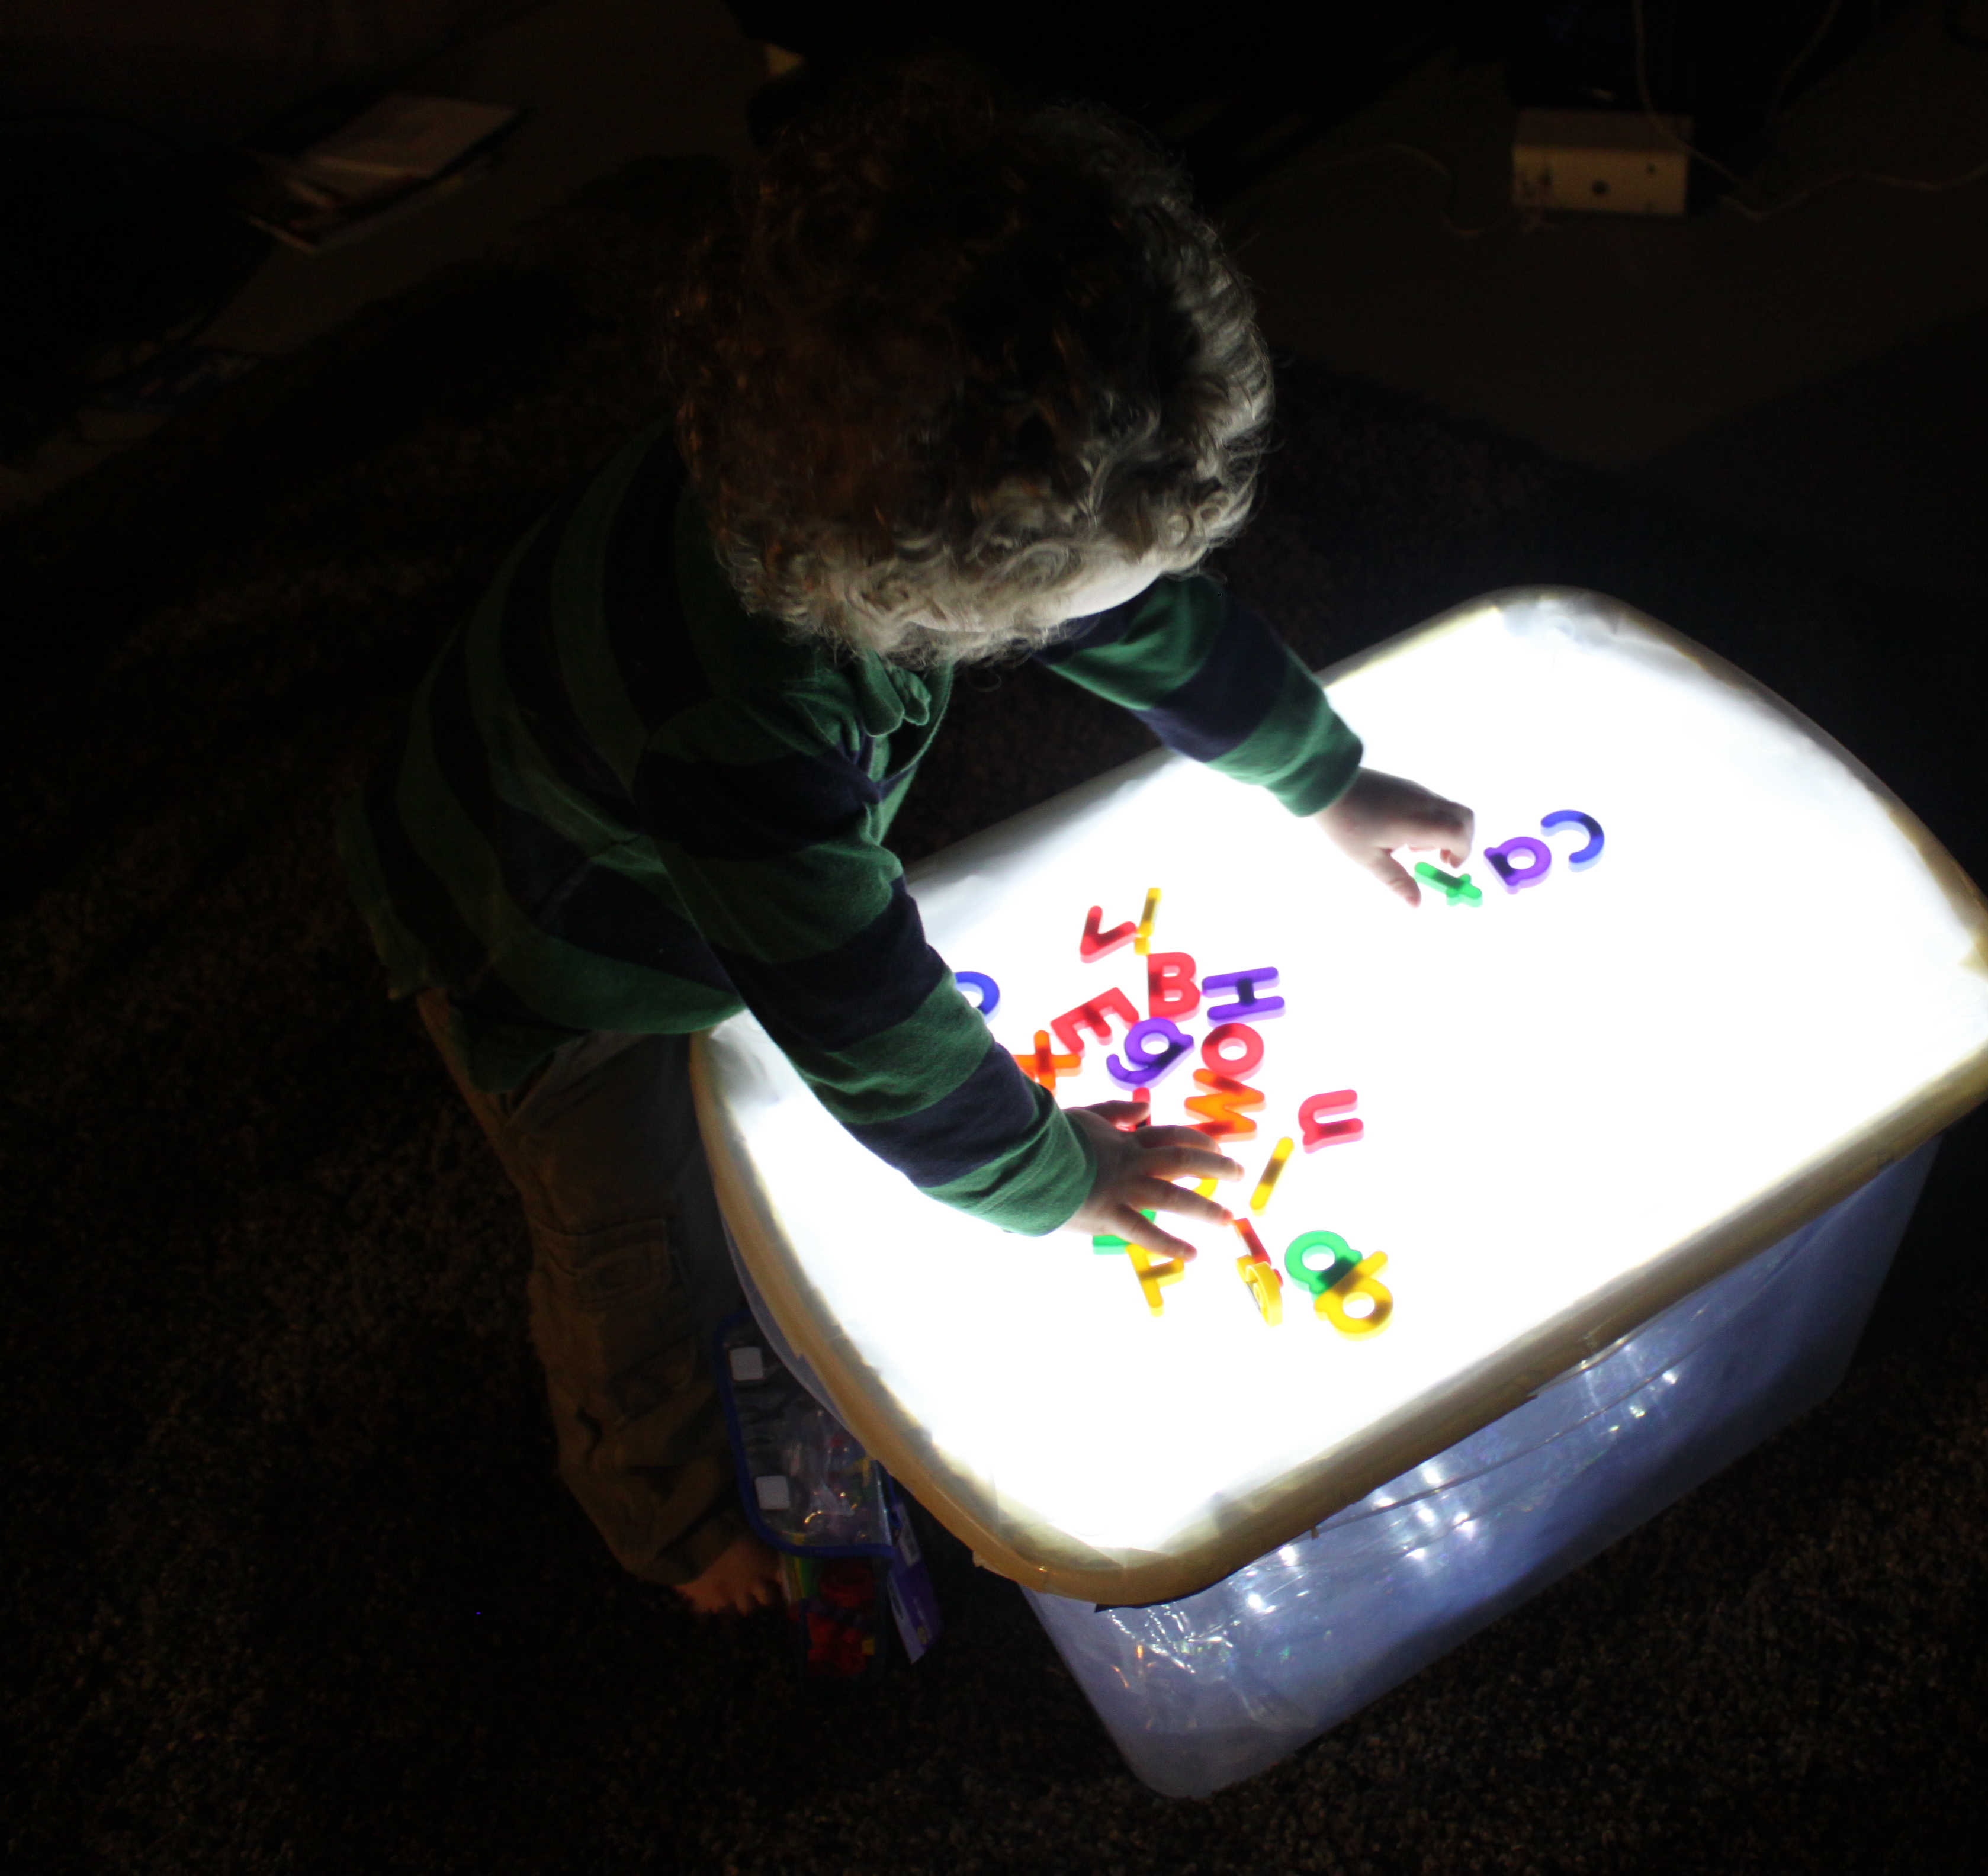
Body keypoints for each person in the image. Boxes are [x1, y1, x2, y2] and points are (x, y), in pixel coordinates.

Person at [337, 59, 1473, 1615]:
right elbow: (859, 1011)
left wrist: (1322, 778)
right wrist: (1052, 1174)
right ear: (917, 600)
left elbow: (1144, 626)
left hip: (626, 785)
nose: (1116, 618)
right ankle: (661, 1512)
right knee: (632, 1241)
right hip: (544, 945)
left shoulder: (862, 482)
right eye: (1074, 604)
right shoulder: (745, 727)